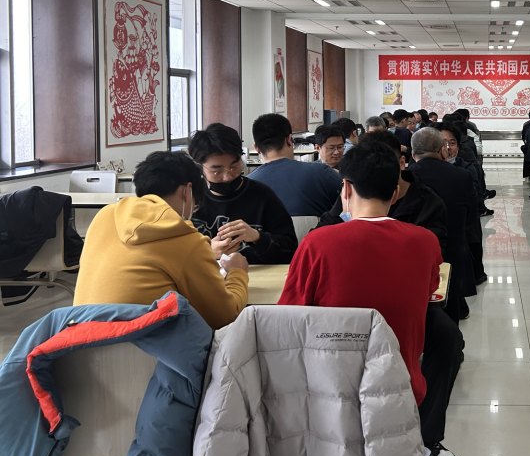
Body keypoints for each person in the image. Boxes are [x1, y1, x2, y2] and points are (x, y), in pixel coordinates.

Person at [276, 141, 460, 456]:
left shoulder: (318, 243)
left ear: (345, 189)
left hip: (329, 387)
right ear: (395, 194)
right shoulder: (425, 242)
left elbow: (288, 315)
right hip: (400, 384)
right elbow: (429, 290)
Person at [74, 150, 248, 330]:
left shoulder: (104, 215)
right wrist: (237, 272)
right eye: (195, 203)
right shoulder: (186, 238)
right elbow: (224, 316)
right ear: (187, 191)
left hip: (79, 338)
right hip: (142, 345)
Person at [189, 123, 297, 265]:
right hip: (206, 276)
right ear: (200, 167)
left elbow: (291, 251)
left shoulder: (262, 196)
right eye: (217, 171)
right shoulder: (189, 199)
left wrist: (257, 237)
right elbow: (170, 255)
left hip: (259, 276)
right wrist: (205, 252)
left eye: (234, 166)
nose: (227, 177)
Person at [410, 127, 477, 323]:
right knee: (450, 312)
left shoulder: (405, 178)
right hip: (452, 254)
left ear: (413, 154)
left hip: (413, 256)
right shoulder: (462, 176)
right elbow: (471, 218)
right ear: (442, 151)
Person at [248, 114, 341, 217]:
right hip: (317, 227)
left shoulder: (247, 185)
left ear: (256, 148)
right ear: (289, 139)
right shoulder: (322, 172)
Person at [435, 121, 488, 280]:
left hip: (463, 223)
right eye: (443, 143)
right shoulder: (426, 169)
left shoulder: (467, 169)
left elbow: (474, 200)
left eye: (452, 143)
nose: (448, 148)